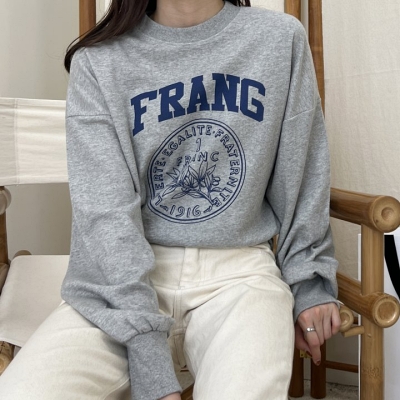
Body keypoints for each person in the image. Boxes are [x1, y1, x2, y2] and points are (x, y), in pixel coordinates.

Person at [0, 1, 341, 399]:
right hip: (119, 285)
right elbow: (105, 214)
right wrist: (149, 361)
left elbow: (303, 173)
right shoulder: (98, 61)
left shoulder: (279, 39)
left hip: (240, 274)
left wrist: (308, 282)